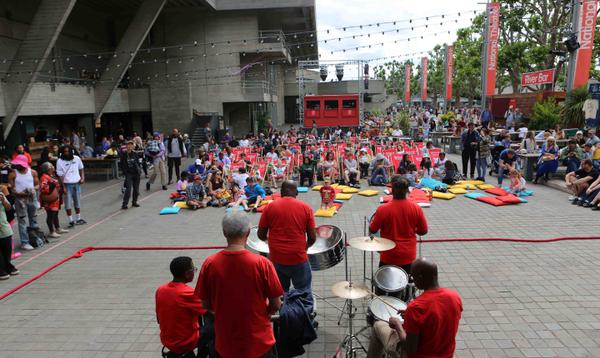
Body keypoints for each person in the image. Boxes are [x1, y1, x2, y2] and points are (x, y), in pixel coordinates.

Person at [195, 212, 283, 358]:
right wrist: (266, 314)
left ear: (224, 233)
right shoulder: (262, 264)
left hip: (226, 342)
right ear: (248, 232)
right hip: (259, 342)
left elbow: (205, 304)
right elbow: (276, 303)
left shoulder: (210, 264)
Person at [367, 258, 462, 358]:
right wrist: (410, 316)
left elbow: (410, 348)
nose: (411, 280)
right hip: (446, 354)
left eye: (412, 277)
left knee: (378, 325)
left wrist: (398, 325)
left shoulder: (416, 307)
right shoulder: (454, 297)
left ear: (420, 277)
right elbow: (435, 316)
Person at [369, 176, 428, 294]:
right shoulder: (416, 208)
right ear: (407, 191)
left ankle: (383, 306)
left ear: (392, 190)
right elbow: (423, 231)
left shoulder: (383, 209)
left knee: (384, 285)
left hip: (388, 255)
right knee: (406, 284)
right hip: (408, 255)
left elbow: (373, 228)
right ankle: (405, 305)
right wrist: (411, 228)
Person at [258, 181, 316, 294]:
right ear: (297, 192)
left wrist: (272, 243)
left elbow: (260, 235)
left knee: (280, 293)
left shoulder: (269, 207)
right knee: (303, 292)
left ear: (281, 192)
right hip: (298, 257)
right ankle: (302, 310)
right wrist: (305, 247)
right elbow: (313, 237)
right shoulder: (306, 208)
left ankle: (283, 311)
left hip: (276, 258)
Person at [156, 256, 207, 357]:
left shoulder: (160, 290)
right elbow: (211, 312)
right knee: (214, 329)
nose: (194, 272)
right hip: (184, 342)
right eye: (193, 269)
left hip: (167, 340)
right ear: (187, 274)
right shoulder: (188, 293)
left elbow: (159, 319)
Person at [8, 155, 40, 251]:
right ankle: (24, 242)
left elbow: (37, 185)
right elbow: (12, 188)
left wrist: (32, 189)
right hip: (20, 199)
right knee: (22, 221)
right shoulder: (13, 174)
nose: (17, 166)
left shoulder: (33, 172)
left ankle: (34, 239)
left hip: (31, 197)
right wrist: (17, 193)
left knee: (33, 218)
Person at [56, 146, 86, 227]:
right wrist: (63, 187)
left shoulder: (76, 158)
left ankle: (78, 218)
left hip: (77, 183)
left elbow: (81, 168)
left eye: (68, 151)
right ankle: (71, 220)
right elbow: (60, 175)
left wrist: (82, 177)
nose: (67, 153)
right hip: (67, 184)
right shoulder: (60, 161)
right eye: (65, 151)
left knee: (77, 201)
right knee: (68, 203)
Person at [39, 162, 68, 238]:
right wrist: (52, 186)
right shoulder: (44, 177)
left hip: (56, 199)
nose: (53, 167)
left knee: (55, 214)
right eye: (51, 166)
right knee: (50, 215)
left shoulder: (52, 175)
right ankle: (51, 231)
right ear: (48, 169)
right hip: (49, 200)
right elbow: (44, 189)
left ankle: (57, 228)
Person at [0, 185, 18, 279]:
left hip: (4, 227)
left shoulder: (1, 194)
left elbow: (8, 208)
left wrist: (3, 200)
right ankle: (1, 270)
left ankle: (8, 266)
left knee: (7, 249)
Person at [120, 141, 142, 210]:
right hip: (129, 174)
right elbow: (121, 164)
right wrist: (125, 172)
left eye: (131, 145)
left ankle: (134, 202)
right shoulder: (123, 154)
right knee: (128, 190)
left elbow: (138, 163)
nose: (129, 146)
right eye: (128, 145)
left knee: (136, 189)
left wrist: (139, 170)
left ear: (133, 146)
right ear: (126, 146)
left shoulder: (135, 154)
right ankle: (124, 204)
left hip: (136, 173)